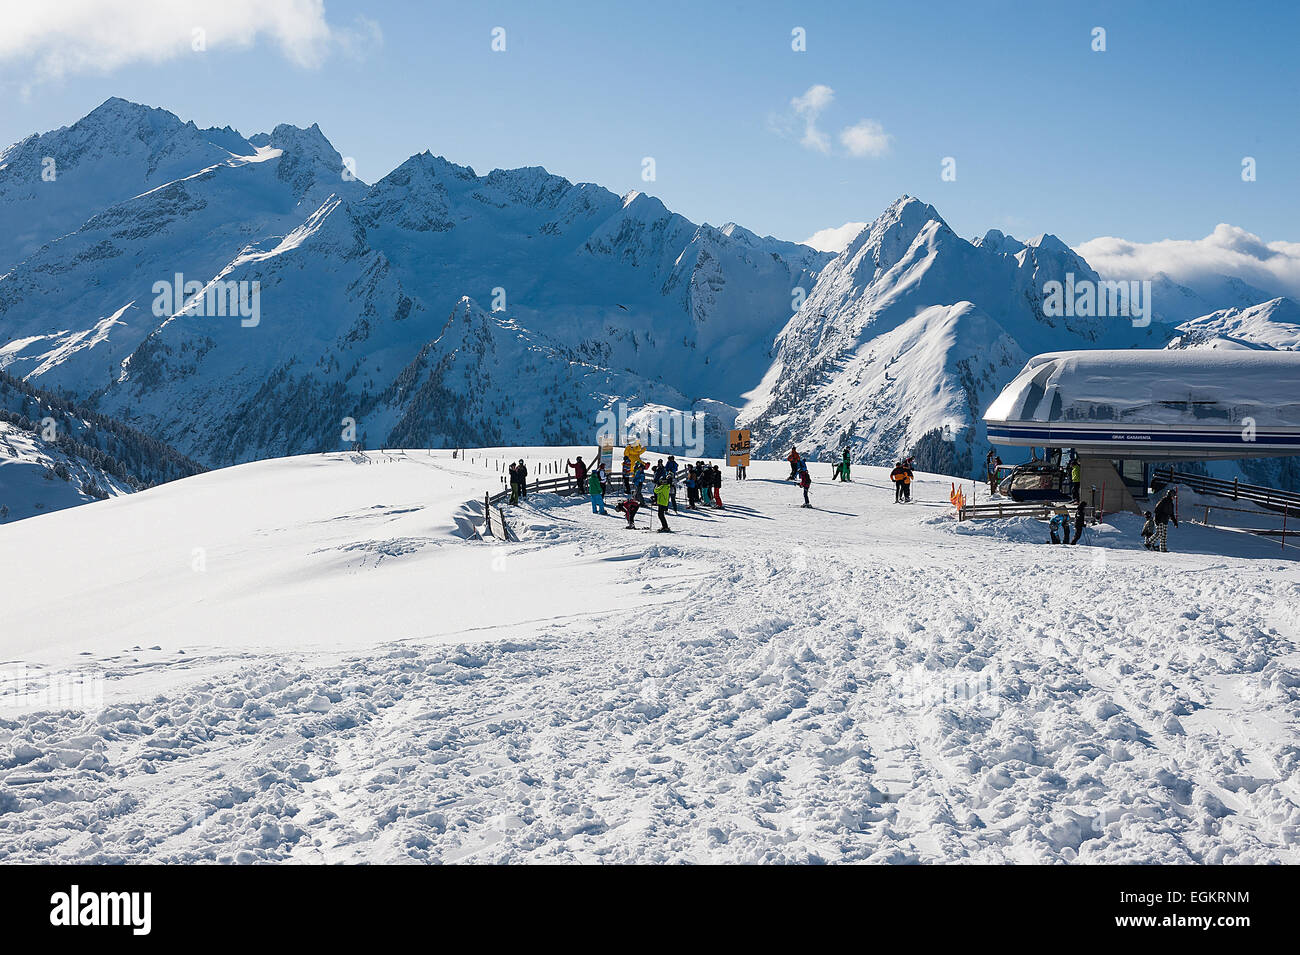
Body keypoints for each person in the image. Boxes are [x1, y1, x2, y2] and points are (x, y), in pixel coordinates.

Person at [1153, 487, 1178, 552]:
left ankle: (1161, 548)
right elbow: (1156, 510)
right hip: (1159, 519)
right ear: (1170, 495)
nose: (1174, 497)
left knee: (1162, 535)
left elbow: (1171, 514)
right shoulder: (1163, 501)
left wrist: (1175, 522)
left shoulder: (1171, 504)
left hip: (1165, 521)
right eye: (1174, 496)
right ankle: (1150, 544)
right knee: (1161, 535)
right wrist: (1156, 519)